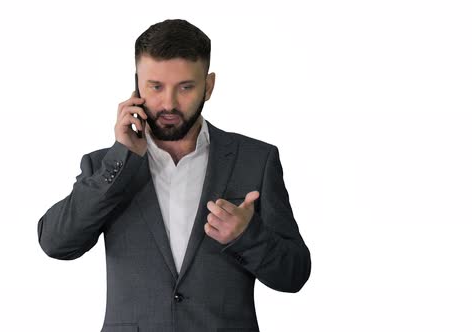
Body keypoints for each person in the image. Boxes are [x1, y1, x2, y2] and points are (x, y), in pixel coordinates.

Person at [37, 19, 311, 332]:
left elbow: (295, 275)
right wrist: (120, 158)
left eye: (185, 87)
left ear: (208, 86)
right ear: (137, 84)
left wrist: (248, 237)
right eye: (155, 87)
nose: (168, 103)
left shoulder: (256, 160)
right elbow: (55, 244)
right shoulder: (105, 166)